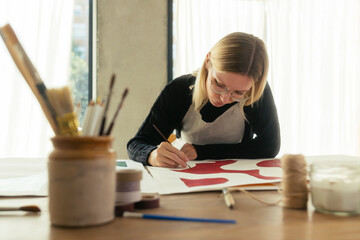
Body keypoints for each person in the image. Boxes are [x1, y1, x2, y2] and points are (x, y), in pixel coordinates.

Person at [127, 32, 280, 168]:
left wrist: (201, 151)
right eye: (219, 84)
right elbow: (136, 144)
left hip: (238, 180)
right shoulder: (179, 90)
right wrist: (152, 155)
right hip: (187, 175)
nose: (225, 98)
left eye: (238, 93)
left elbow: (270, 146)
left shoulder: (256, 92)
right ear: (208, 62)